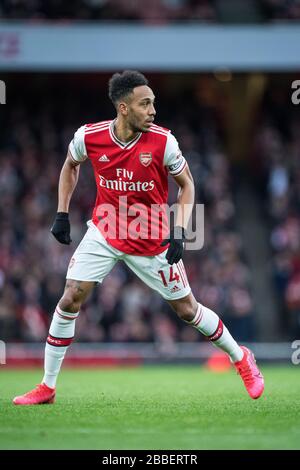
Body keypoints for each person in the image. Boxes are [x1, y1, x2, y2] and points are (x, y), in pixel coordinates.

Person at [13, 70, 264, 405]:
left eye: (153, 103)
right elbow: (70, 165)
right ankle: (47, 386)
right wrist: (62, 212)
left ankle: (241, 358)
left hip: (151, 237)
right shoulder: (89, 137)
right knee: (70, 296)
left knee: (187, 310)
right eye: (145, 104)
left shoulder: (164, 142)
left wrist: (179, 230)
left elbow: (187, 185)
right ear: (123, 108)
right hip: (106, 231)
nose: (152, 110)